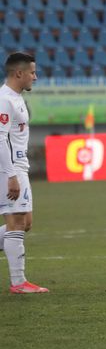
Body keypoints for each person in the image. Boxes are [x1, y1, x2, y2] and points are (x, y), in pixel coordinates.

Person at [0, 52, 47, 294]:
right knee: (16, 222)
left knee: (24, 223)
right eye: (31, 72)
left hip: (20, 166)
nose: (35, 77)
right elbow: (0, 139)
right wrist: (10, 175)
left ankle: (19, 282)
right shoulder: (4, 99)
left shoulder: (16, 98)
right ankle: (18, 283)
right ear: (19, 73)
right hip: (9, 168)